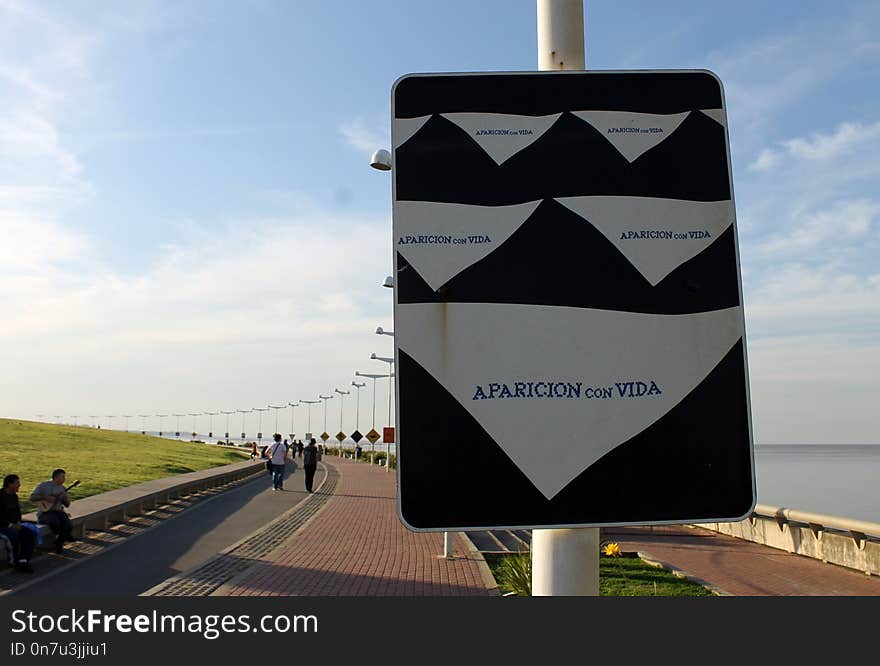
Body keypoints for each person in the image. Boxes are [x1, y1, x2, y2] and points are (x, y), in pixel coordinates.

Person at [29, 469, 75, 554]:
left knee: (68, 525)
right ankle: (61, 541)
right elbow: (32, 498)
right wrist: (45, 498)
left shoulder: (63, 488)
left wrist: (64, 499)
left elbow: (67, 505)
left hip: (58, 511)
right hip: (45, 512)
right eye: (62, 477)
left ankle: (59, 541)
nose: (64, 479)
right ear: (56, 477)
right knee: (55, 522)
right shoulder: (44, 486)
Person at [0, 474, 35, 573]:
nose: (19, 485)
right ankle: (14, 562)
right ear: (9, 484)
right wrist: (11, 525)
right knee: (13, 536)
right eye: (17, 483)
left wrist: (18, 522)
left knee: (30, 534)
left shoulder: (14, 496)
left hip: (14, 524)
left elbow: (17, 512)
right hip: (2, 527)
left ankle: (23, 560)